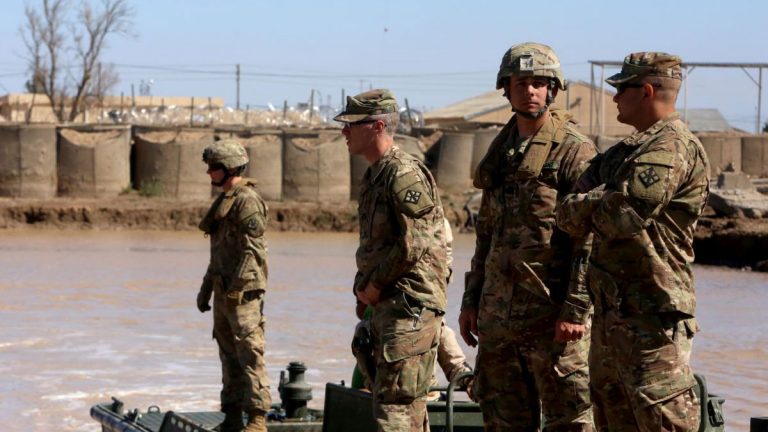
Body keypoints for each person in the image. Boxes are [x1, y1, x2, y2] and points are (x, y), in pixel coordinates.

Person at [556, 52, 710, 432]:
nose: (615, 98)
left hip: (652, 319)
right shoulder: (624, 153)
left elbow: (622, 217)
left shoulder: (671, 147)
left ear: (646, 91)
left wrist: (597, 200)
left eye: (622, 89)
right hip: (612, 316)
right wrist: (604, 197)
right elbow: (565, 213)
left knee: (663, 422)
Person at [458, 42, 596, 431]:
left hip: (551, 318)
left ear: (552, 89)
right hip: (499, 319)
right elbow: (486, 234)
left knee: (570, 421)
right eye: (521, 83)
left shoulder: (574, 151)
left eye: (539, 83)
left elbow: (589, 238)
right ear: (506, 89)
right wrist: (471, 300)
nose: (530, 91)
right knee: (502, 421)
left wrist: (575, 309)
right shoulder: (501, 153)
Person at [337, 89, 449, 432]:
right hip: (389, 305)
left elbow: (417, 242)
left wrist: (375, 284)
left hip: (409, 308)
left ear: (378, 126)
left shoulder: (402, 173)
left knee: (396, 413)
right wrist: (363, 288)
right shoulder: (375, 175)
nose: (344, 131)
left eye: (353, 124)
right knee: (399, 410)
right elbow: (377, 245)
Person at [196, 139, 271, 432]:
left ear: (229, 168)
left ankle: (257, 419)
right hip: (223, 291)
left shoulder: (246, 200)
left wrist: (237, 288)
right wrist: (206, 289)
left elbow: (254, 251)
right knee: (228, 356)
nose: (209, 172)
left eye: (213, 167)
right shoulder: (225, 200)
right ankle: (232, 416)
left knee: (250, 354)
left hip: (243, 294)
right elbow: (219, 253)